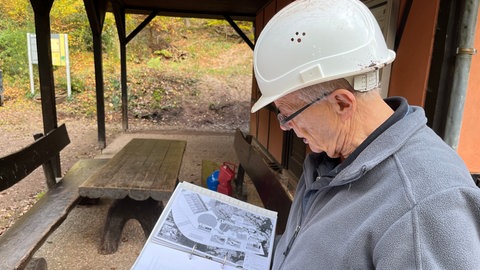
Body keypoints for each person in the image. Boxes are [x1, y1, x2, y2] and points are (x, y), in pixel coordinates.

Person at [250, 0, 480, 269]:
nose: (284, 127)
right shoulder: (332, 157)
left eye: (289, 115)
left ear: (342, 103)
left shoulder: (424, 205)